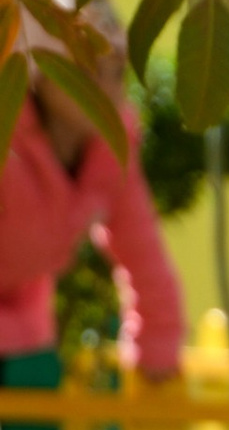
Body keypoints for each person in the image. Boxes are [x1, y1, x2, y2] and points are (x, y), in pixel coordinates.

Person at [0, 56, 189, 384]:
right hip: (16, 331)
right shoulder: (8, 131)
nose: (105, 89)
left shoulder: (111, 148)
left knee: (34, 405)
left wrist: (159, 348)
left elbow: (143, 251)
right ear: (40, 75)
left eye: (116, 72)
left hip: (23, 326)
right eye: (86, 70)